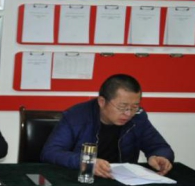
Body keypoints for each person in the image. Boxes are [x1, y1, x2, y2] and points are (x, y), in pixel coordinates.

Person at [41, 74, 174, 178]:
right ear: (102, 101)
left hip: (122, 182)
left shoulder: (138, 117)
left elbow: (160, 147)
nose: (128, 113)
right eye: (122, 107)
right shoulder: (76, 116)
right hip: (82, 179)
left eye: (134, 107)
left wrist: (159, 156)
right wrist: (87, 162)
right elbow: (50, 152)